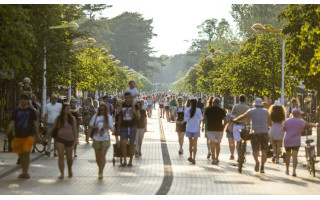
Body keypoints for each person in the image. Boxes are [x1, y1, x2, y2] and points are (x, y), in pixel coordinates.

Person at [4, 93, 41, 178]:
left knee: (26, 153)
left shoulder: (31, 111)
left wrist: (38, 135)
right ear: (20, 100)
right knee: (20, 155)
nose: (23, 101)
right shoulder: (16, 111)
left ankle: (25, 172)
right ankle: (23, 171)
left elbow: (36, 123)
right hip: (18, 136)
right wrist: (6, 134)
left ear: (28, 101)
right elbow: (11, 123)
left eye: (25, 99)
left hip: (29, 135)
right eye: (22, 99)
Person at [232, 98, 269, 173]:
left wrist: (235, 120)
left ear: (255, 105)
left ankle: (256, 161)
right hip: (264, 132)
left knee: (255, 149)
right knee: (264, 150)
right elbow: (269, 121)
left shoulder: (251, 111)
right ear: (261, 105)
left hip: (255, 132)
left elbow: (242, 116)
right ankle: (262, 167)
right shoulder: (266, 111)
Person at [45, 103, 77, 179]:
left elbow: (75, 130)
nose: (69, 110)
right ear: (63, 110)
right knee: (61, 156)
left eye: (70, 109)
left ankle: (69, 169)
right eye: (67, 109)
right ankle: (62, 173)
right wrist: (45, 137)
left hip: (70, 139)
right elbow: (52, 128)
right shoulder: (59, 118)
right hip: (60, 139)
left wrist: (76, 139)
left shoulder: (72, 118)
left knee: (69, 158)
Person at [283, 109, 317, 176]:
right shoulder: (300, 121)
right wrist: (314, 125)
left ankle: (287, 169)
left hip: (287, 140)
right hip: (296, 141)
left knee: (288, 155)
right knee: (294, 155)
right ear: (298, 114)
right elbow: (308, 125)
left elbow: (283, 129)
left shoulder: (287, 121)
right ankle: (294, 171)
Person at [89, 103, 114, 179]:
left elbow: (111, 127)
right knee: (97, 157)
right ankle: (100, 168)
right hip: (96, 138)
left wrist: (115, 133)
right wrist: (89, 134)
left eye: (104, 110)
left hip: (105, 138)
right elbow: (90, 125)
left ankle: (101, 171)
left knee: (102, 155)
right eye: (101, 109)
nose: (102, 111)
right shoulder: (95, 117)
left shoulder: (109, 117)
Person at [118, 92, 140, 167]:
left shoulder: (135, 106)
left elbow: (138, 117)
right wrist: (118, 127)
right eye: (125, 98)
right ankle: (124, 160)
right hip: (124, 126)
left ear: (131, 98)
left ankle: (130, 160)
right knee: (123, 143)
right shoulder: (123, 105)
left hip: (132, 126)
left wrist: (134, 112)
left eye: (128, 98)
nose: (127, 99)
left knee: (131, 144)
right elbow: (119, 115)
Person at [204, 98, 227, 165]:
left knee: (212, 143)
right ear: (219, 103)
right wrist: (223, 127)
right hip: (219, 129)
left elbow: (204, 117)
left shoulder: (208, 109)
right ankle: (217, 158)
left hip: (210, 129)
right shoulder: (222, 111)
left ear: (213, 103)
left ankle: (213, 158)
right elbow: (225, 120)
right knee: (218, 144)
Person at [184, 99, 203, 164]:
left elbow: (185, 119)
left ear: (190, 103)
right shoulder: (198, 110)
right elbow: (201, 118)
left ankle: (190, 156)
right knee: (195, 144)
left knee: (190, 143)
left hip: (189, 128)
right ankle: (194, 158)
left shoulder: (187, 110)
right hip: (196, 129)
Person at [231, 94, 250, 161]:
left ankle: (239, 156)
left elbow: (232, 114)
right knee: (244, 140)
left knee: (237, 142)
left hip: (236, 125)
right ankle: (243, 154)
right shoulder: (247, 108)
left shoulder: (235, 106)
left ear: (239, 99)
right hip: (244, 126)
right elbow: (248, 117)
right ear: (245, 100)